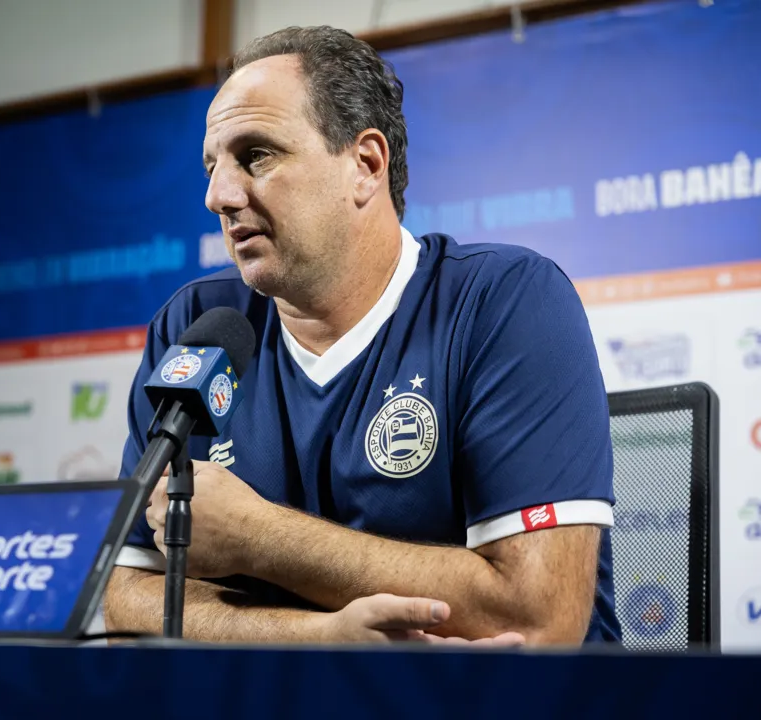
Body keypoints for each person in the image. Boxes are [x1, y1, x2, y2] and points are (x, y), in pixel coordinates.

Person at [103, 25, 619, 646]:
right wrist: (316, 639)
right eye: (213, 166)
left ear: (365, 166)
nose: (220, 195)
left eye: (257, 156)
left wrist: (259, 537)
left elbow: (537, 618)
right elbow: (128, 595)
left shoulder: (504, 301)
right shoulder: (196, 328)